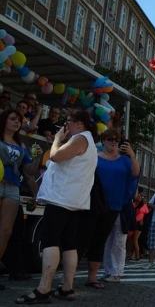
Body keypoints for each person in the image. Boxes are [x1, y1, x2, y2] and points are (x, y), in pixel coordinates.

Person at [16, 110, 97, 304]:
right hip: (73, 200)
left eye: (68, 122)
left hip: (62, 198)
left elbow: (55, 156)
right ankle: (67, 287)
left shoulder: (79, 139)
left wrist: (57, 140)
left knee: (50, 239)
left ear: (79, 124)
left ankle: (44, 288)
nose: (64, 126)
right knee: (68, 243)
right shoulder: (87, 141)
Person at [0, 110, 40, 291]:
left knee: (6, 232)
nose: (17, 122)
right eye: (13, 119)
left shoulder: (20, 144)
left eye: (19, 120)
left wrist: (38, 156)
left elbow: (29, 172)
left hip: (12, 188)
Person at [99, 130, 140, 283]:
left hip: (120, 204)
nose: (114, 142)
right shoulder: (96, 157)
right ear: (103, 141)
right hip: (101, 203)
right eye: (110, 139)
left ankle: (116, 271)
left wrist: (132, 154)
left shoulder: (124, 160)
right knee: (104, 238)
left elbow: (135, 173)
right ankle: (107, 270)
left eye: (116, 139)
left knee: (118, 239)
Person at [130, 192, 149, 261]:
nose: (140, 197)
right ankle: (132, 255)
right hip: (133, 222)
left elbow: (146, 214)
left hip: (139, 224)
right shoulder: (133, 204)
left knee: (135, 239)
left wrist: (142, 220)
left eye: (140, 196)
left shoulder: (143, 205)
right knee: (131, 239)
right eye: (138, 196)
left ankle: (137, 256)